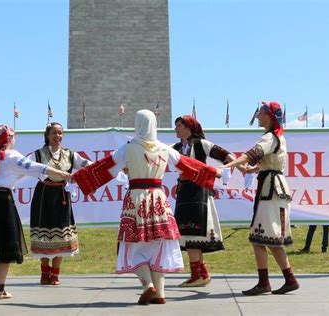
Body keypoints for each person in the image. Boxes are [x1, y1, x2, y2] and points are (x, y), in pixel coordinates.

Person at [73, 110, 220, 305]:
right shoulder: (164, 148)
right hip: (158, 199)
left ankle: (148, 285)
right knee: (158, 244)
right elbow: (189, 165)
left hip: (136, 198)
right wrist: (214, 172)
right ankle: (159, 294)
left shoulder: (129, 148)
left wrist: (78, 177)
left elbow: (105, 167)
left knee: (133, 246)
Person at [0, 125, 71, 300]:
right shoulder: (13, 156)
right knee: (6, 243)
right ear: (9, 139)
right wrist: (63, 174)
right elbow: (38, 167)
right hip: (3, 201)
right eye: (13, 136)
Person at [223, 101, 299, 295]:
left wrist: (227, 166)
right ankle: (287, 279)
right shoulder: (278, 138)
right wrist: (254, 169)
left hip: (270, 189)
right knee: (270, 238)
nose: (257, 116)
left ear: (269, 116)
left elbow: (252, 154)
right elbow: (272, 161)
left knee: (261, 238)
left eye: (261, 113)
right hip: (274, 187)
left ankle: (266, 282)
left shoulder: (269, 138)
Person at [173, 115, 238, 287]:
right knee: (187, 233)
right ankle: (202, 274)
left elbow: (228, 156)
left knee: (192, 233)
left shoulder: (201, 144)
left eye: (179, 125)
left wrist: (223, 171)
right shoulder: (177, 147)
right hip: (184, 192)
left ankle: (197, 276)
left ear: (188, 127)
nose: (176, 129)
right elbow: (160, 153)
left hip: (198, 192)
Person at [28, 122, 91, 285]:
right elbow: (21, 166)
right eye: (54, 133)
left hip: (62, 197)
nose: (58, 136)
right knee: (44, 234)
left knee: (62, 234)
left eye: (60, 133)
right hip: (43, 197)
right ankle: (44, 272)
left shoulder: (69, 154)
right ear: (47, 136)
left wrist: (104, 167)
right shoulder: (37, 154)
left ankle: (55, 273)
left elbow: (86, 164)